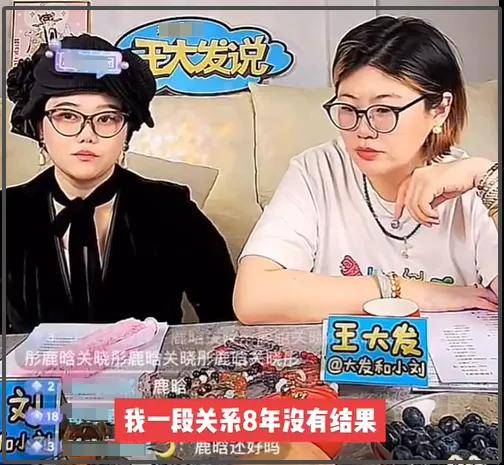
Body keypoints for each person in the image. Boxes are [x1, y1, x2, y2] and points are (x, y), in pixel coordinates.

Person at [234, 15, 498, 327]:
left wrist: (486, 176)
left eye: (384, 110)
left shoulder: (473, 188)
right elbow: (252, 297)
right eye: (348, 108)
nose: (363, 130)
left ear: (440, 109)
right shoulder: (317, 171)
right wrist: (406, 291)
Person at [3, 34, 236, 333]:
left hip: (150, 364)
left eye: (106, 118)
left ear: (127, 132)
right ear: (39, 127)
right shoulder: (8, 212)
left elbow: (225, 317)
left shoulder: (172, 210)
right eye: (67, 115)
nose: (87, 134)